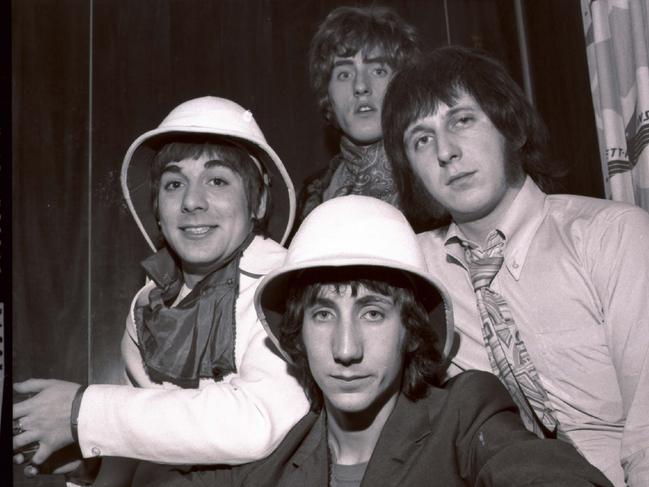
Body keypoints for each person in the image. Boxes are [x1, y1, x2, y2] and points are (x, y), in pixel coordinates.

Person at [147, 195, 612, 487]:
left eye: (372, 313)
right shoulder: (276, 453)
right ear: (298, 335)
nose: (346, 349)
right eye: (323, 314)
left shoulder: (465, 414)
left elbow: (536, 469)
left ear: (411, 330)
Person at [382, 45, 649, 486]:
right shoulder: (413, 270)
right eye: (421, 139)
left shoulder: (612, 236)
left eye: (462, 120)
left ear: (511, 127)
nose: (445, 151)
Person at [12, 97, 309, 483]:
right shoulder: (147, 305)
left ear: (259, 201)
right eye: (173, 184)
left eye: (217, 180)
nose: (191, 201)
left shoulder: (285, 287)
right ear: (156, 208)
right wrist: (90, 457)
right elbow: (144, 432)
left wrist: (83, 414)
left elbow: (256, 422)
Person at [294, 5, 420, 227]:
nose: (361, 86)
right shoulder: (310, 193)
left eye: (378, 70)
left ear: (404, 84)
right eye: (344, 74)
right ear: (327, 96)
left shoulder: (434, 176)